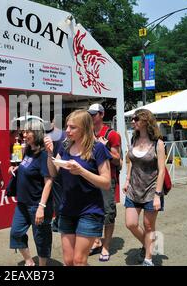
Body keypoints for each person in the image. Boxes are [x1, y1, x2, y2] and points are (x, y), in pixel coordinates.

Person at [45, 109, 111, 266]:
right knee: (69, 261)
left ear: (85, 128)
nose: (67, 130)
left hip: (90, 210)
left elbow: (106, 182)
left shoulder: (97, 148)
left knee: (79, 261)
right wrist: (49, 155)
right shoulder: (65, 146)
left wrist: (81, 171)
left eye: (72, 127)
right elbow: (54, 173)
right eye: (67, 126)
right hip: (67, 209)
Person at [8, 119, 53, 266]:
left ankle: (42, 265)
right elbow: (27, 166)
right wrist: (17, 169)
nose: (24, 134)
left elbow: (49, 182)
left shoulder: (43, 155)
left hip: (37, 204)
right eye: (23, 131)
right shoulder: (28, 149)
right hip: (22, 203)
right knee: (16, 232)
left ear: (37, 133)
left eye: (28, 132)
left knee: (41, 238)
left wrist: (41, 207)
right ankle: (29, 261)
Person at [124, 109, 165, 266]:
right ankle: (149, 245)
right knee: (131, 223)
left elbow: (161, 171)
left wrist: (157, 195)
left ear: (145, 121)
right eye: (133, 119)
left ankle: (148, 259)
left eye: (136, 119)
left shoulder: (158, 143)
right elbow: (131, 162)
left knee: (149, 226)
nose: (133, 121)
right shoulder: (134, 139)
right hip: (134, 189)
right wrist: (127, 179)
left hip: (151, 190)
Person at [88, 103, 122, 262]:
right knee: (92, 212)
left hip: (106, 179)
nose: (91, 116)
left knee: (108, 214)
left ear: (101, 114)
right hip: (89, 178)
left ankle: (106, 246)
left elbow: (118, 160)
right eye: (90, 114)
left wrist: (103, 148)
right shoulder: (87, 133)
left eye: (94, 114)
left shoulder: (112, 134)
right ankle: (96, 241)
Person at [44, 114, 66, 233]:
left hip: (55, 168)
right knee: (63, 197)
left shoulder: (51, 136)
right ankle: (60, 222)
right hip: (66, 169)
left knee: (58, 199)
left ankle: (59, 223)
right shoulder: (66, 135)